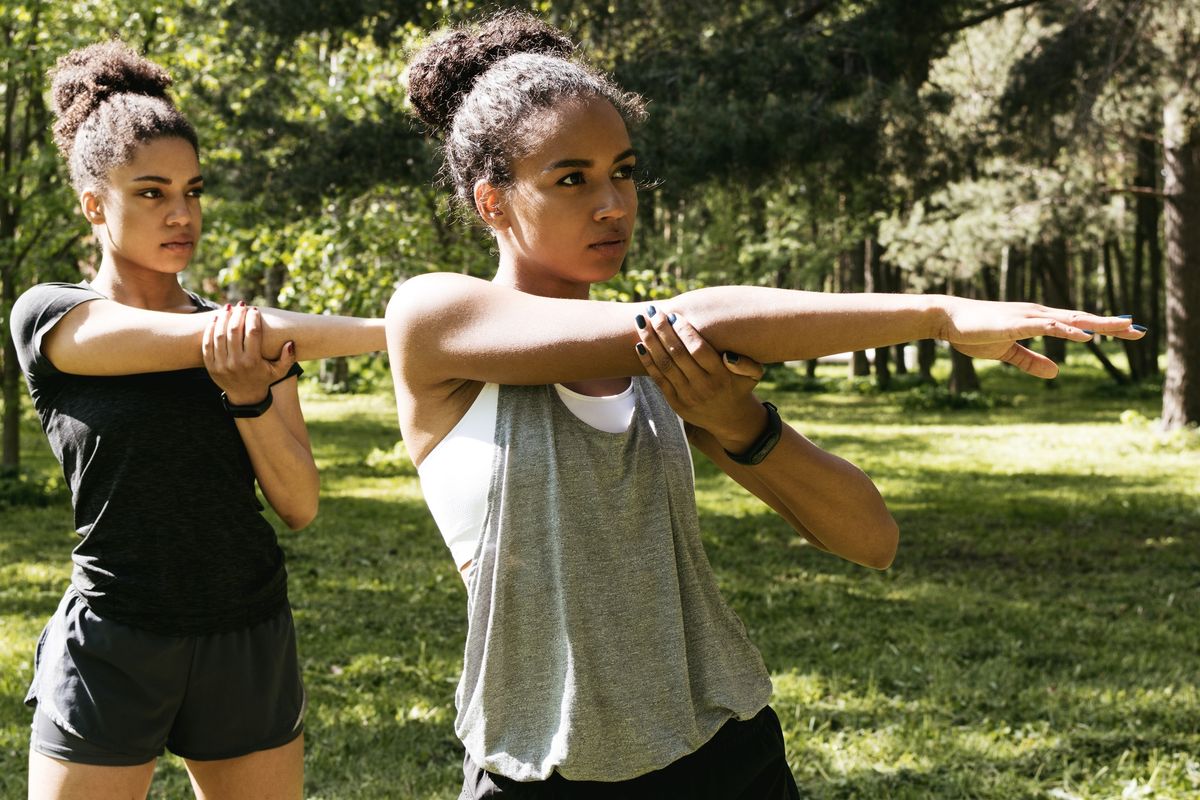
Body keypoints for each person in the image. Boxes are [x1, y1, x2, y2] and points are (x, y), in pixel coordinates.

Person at [383, 11, 1146, 798]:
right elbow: (689, 319)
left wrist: (737, 423)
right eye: (571, 178)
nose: (613, 203)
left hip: (724, 753)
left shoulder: (660, 361)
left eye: (625, 170)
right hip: (539, 765)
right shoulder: (436, 316)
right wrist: (939, 315)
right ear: (491, 202)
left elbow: (870, 538)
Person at [12, 42, 384, 800]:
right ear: (94, 204)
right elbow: (188, 345)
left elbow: (300, 505)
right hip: (114, 636)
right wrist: (403, 330)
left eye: (193, 189)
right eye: (152, 193)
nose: (182, 214)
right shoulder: (51, 316)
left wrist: (248, 396)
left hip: (245, 631)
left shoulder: (244, 334)